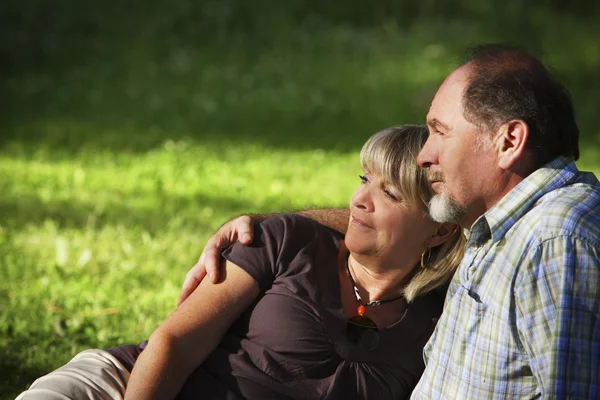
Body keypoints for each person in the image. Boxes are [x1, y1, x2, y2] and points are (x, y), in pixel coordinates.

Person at [184, 44, 600, 399]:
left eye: (440, 132)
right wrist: (271, 225)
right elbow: (403, 223)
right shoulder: (500, 226)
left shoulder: (556, 242)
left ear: (508, 141)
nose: (424, 155)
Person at [17, 125, 465, 400]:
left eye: (388, 193)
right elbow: (175, 344)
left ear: (441, 230)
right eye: (364, 179)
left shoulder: (445, 317)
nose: (359, 200)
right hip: (132, 387)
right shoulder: (288, 240)